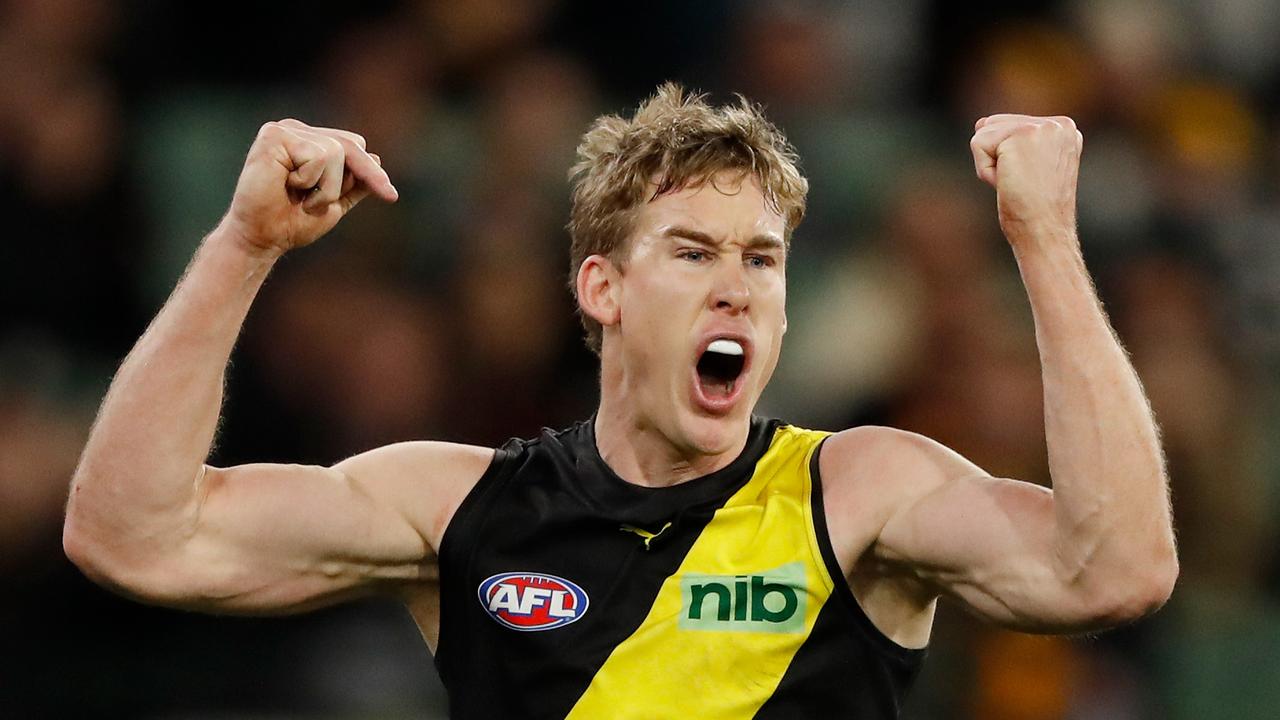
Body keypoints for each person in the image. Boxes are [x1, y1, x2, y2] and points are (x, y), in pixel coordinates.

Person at [63, 84, 1177, 718]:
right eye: (691, 252)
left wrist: (1043, 242)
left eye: (762, 257)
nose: (736, 283)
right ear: (602, 289)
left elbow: (1115, 569)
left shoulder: (860, 490)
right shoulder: (459, 507)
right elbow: (133, 536)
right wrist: (245, 245)